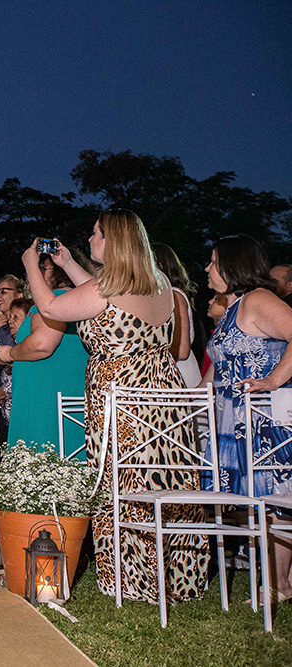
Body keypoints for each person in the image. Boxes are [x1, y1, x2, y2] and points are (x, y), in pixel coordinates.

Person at [24, 209, 208, 604]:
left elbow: (53, 309)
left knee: (123, 486)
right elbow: (101, 296)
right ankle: (177, 577)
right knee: (163, 482)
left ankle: (133, 579)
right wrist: (69, 263)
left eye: (95, 234)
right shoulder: (157, 285)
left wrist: (30, 267)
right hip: (162, 399)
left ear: (114, 241)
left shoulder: (109, 286)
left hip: (121, 402)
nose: (89, 240)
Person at [204, 234, 292, 600]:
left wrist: (273, 380)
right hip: (230, 422)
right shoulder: (234, 305)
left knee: (271, 502)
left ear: (231, 264)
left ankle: (277, 585)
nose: (207, 268)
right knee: (244, 505)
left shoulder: (258, 299)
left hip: (261, 420)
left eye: (212, 261)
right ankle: (275, 579)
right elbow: (220, 368)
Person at [0, 254, 90, 455]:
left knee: (44, 457)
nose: (35, 274)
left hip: (45, 398)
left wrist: (9, 353)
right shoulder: (82, 299)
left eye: (45, 268)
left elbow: (41, 344)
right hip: (64, 393)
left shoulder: (55, 298)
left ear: (59, 271)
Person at [153, 244, 201, 388]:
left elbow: (182, 350)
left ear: (160, 266)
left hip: (180, 372)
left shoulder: (173, 294)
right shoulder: (163, 295)